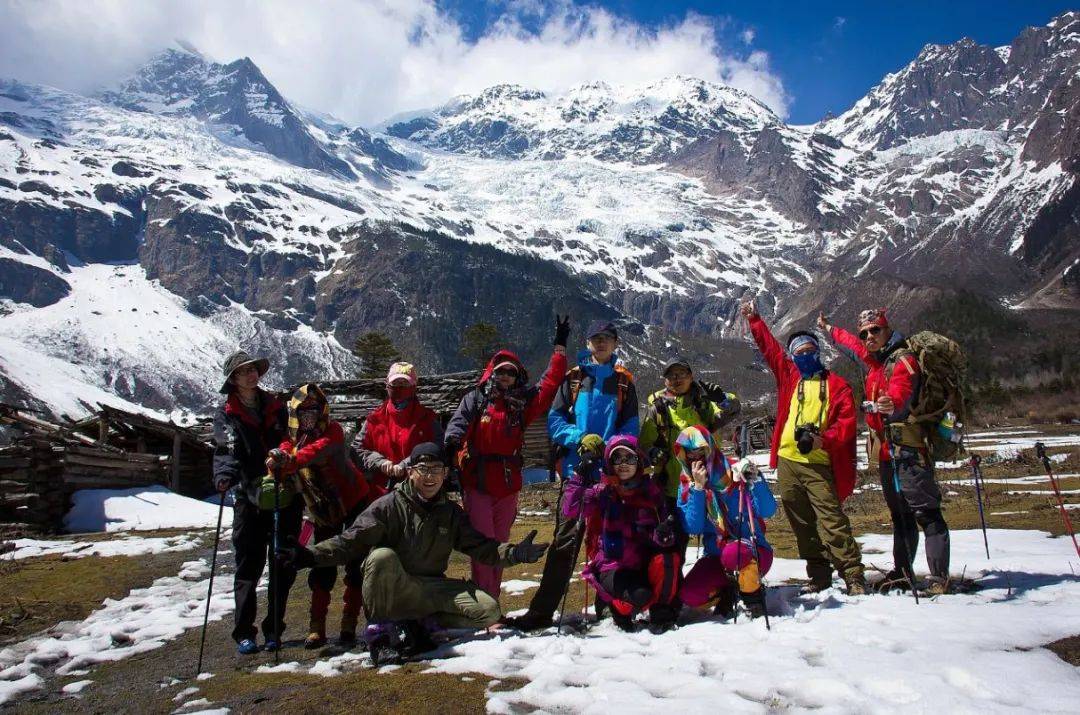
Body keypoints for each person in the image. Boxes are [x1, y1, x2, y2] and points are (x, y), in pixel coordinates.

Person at [277, 443, 548, 666]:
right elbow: (351, 542)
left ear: (445, 474)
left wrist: (515, 553)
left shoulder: (450, 512)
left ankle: (421, 623)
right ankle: (381, 633)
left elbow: (482, 548)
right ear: (410, 472)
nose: (430, 477)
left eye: (436, 470)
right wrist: (308, 556)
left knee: (488, 610)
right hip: (397, 586)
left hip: (431, 587)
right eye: (423, 469)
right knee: (381, 557)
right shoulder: (388, 507)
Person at [506, 320, 640, 631]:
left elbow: (630, 427)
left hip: (610, 476)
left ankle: (608, 606)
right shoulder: (574, 379)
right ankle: (542, 612)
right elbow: (554, 421)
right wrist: (579, 438)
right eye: (596, 338)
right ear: (589, 343)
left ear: (616, 343)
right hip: (575, 474)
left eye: (607, 338)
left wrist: (611, 447)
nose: (601, 343)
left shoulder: (623, 383)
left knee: (609, 541)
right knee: (565, 542)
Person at [820, 308, 951, 594]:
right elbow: (851, 346)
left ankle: (940, 578)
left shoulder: (902, 362)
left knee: (926, 513)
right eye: (865, 333)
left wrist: (890, 404)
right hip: (886, 451)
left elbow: (902, 394)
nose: (869, 337)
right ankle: (903, 572)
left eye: (875, 330)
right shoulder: (874, 361)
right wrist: (829, 329)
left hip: (909, 450)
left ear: (887, 330)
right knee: (900, 515)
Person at [741, 301, 866, 595]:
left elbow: (847, 423)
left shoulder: (837, 385)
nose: (805, 356)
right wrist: (754, 319)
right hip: (787, 461)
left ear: (818, 352)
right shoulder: (789, 376)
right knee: (801, 523)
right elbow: (770, 348)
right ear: (793, 356)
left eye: (810, 351)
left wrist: (825, 440)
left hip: (819, 462)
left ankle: (853, 574)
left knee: (832, 520)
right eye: (799, 352)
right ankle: (819, 575)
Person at [443, 316, 569, 597]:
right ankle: (482, 603)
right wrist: (451, 444)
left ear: (517, 377)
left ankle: (492, 603)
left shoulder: (521, 406)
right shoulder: (475, 399)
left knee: (500, 543)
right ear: (491, 373)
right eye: (500, 372)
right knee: (483, 544)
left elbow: (549, 384)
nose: (505, 377)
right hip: (478, 481)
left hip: (509, 483)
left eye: (510, 373)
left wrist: (559, 349)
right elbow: (459, 423)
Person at [269, 383, 382, 648]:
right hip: (323, 508)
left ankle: (348, 624)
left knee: (356, 562)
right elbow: (286, 452)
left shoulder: (333, 431)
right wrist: (276, 460)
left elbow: (314, 451)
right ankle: (316, 626)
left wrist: (287, 461)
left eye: (314, 409)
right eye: (303, 409)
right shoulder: (291, 439)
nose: (309, 414)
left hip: (354, 502)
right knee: (321, 561)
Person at [211, 350, 303, 655]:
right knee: (248, 565)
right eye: (243, 372)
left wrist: (282, 457)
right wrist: (224, 476)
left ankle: (274, 629)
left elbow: (291, 439)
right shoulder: (227, 414)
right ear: (233, 380)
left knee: (282, 563)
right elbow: (225, 450)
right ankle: (244, 632)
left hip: (283, 494)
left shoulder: (275, 407)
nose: (251, 375)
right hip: (249, 497)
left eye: (253, 370)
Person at [562, 435, 680, 632]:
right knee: (640, 595)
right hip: (612, 565)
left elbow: (662, 532)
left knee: (669, 559)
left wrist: (663, 535)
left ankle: (661, 613)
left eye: (630, 458)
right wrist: (579, 476)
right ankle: (619, 610)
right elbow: (572, 509)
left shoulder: (650, 492)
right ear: (609, 462)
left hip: (641, 561)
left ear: (639, 461)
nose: (624, 464)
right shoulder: (602, 491)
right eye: (617, 459)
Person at [638, 358, 741, 559]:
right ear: (665, 380)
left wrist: (722, 399)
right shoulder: (658, 408)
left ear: (691, 376)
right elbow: (644, 444)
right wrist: (651, 453)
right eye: (671, 375)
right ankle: (675, 586)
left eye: (682, 374)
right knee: (675, 547)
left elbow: (733, 410)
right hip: (674, 487)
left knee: (718, 538)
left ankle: (718, 582)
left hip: (712, 485)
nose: (676, 379)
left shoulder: (705, 402)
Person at [673, 425, 776, 618]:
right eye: (690, 454)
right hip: (716, 555)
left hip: (753, 550)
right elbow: (692, 526)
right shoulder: (687, 484)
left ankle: (752, 597)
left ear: (710, 448)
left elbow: (768, 510)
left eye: (700, 451)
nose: (696, 459)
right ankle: (729, 591)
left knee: (734, 553)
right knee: (690, 595)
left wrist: (757, 481)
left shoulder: (736, 471)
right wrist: (698, 489)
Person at [351, 362, 442, 490]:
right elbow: (358, 448)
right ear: (387, 385)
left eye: (404, 384)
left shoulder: (427, 419)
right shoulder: (375, 419)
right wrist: (380, 462)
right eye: (395, 384)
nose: (399, 388)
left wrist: (408, 463)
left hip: (418, 490)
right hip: (380, 492)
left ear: (414, 386)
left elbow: (437, 446)